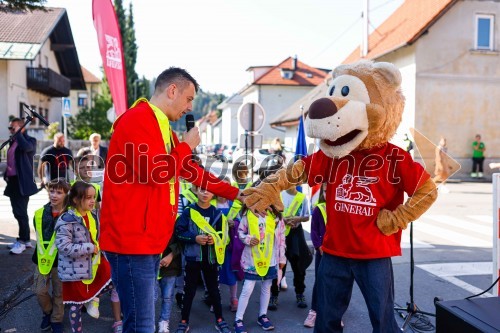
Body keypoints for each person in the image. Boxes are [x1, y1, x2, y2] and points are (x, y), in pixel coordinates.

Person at [100, 67, 241, 332]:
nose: (189, 108)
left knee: (140, 321)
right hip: (132, 243)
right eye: (188, 99)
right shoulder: (137, 119)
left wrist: (237, 193)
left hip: (148, 242)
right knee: (141, 324)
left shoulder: (163, 129)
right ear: (172, 90)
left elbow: (191, 171)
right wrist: (186, 146)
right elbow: (153, 172)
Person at [55, 181, 122, 333]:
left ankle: (93, 298)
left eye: (94, 197)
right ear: (76, 200)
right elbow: (64, 247)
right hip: (74, 270)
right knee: (75, 305)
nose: (93, 201)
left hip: (93, 264)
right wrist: (90, 248)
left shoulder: (92, 216)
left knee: (115, 279)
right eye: (88, 198)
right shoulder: (66, 220)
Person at [175, 185, 232, 333]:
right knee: (189, 292)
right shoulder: (189, 212)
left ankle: (220, 320)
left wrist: (215, 239)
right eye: (201, 189)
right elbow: (179, 233)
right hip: (192, 259)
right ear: (196, 191)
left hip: (211, 259)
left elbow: (225, 237)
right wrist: (194, 238)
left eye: (208, 190)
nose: (205, 193)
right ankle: (184, 321)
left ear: (214, 193)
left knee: (214, 291)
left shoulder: (218, 213)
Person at [233, 206, 286, 333]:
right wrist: (248, 239)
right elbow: (240, 232)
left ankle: (262, 315)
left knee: (266, 287)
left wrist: (282, 257)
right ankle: (238, 319)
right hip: (252, 259)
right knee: (247, 289)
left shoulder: (276, 217)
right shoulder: (248, 214)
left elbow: (281, 239)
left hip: (270, 259)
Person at [32, 178, 70, 333]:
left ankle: (56, 319)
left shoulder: (70, 216)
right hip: (42, 260)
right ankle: (48, 311)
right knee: (39, 290)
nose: (54, 195)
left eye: (59, 192)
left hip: (62, 261)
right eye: (52, 191)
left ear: (66, 195)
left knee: (59, 293)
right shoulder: (40, 213)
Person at [269, 186, 311, 310]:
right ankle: (274, 295)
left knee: (298, 265)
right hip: (281, 233)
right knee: (279, 265)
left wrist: (298, 219)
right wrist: (283, 220)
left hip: (296, 233)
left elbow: (307, 216)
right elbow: (272, 215)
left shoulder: (302, 197)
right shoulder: (279, 195)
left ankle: (300, 293)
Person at [4, 118, 38, 254]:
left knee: (21, 212)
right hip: (13, 181)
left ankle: (23, 241)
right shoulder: (13, 142)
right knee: (17, 212)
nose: (11, 130)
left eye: (13, 128)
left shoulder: (30, 141)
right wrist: (6, 173)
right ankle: (25, 240)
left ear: (21, 128)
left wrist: (19, 134)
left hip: (22, 182)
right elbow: (11, 161)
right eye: (10, 128)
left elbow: (27, 148)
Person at [304, 183, 326, 328]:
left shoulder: (340, 210)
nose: (327, 193)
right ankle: (314, 311)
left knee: (336, 285)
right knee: (319, 282)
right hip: (322, 252)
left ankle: (333, 314)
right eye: (325, 191)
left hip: (337, 254)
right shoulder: (320, 209)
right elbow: (314, 231)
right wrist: (318, 245)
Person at [157, 234, 183, 333]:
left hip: (170, 264)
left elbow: (182, 238)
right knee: (150, 297)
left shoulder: (176, 218)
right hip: (150, 262)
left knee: (167, 296)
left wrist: (171, 255)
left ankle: (164, 321)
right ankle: (148, 322)